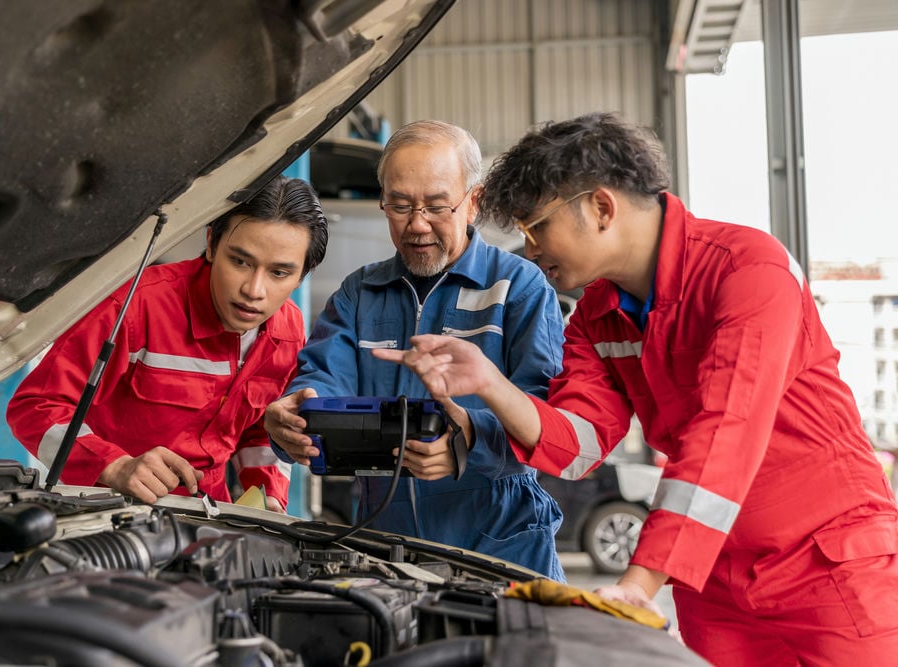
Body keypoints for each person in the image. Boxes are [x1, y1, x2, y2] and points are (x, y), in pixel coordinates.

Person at [374, 112, 898, 664]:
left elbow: (727, 432)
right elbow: (577, 447)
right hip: (712, 579)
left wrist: (639, 584)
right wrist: (490, 382)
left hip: (828, 564)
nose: (529, 250)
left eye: (538, 228)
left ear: (601, 207)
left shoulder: (749, 270)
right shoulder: (595, 317)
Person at [264, 120, 567, 580]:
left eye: (436, 206)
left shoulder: (518, 288)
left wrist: (469, 444)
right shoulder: (360, 292)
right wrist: (296, 412)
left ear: (473, 203)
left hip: (501, 539)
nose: (417, 224)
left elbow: (547, 416)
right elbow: (324, 377)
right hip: (388, 540)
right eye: (400, 205)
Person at [7, 175, 328, 512]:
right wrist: (115, 466)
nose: (254, 290)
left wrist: (267, 496)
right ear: (211, 244)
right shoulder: (135, 306)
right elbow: (34, 407)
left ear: (302, 275)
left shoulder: (288, 331)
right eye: (240, 262)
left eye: (279, 273)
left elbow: (260, 431)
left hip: (210, 518)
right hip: (107, 511)